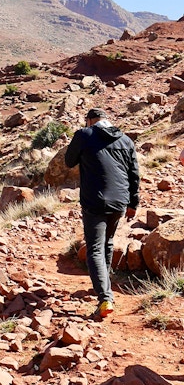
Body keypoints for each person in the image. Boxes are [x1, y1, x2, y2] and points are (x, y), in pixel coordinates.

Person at [65, 108, 140, 319]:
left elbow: (69, 161)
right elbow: (134, 173)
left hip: (95, 202)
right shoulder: (125, 140)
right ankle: (104, 286)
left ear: (90, 121)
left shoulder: (84, 134)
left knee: (95, 249)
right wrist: (133, 202)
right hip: (119, 202)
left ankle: (105, 298)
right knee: (107, 243)